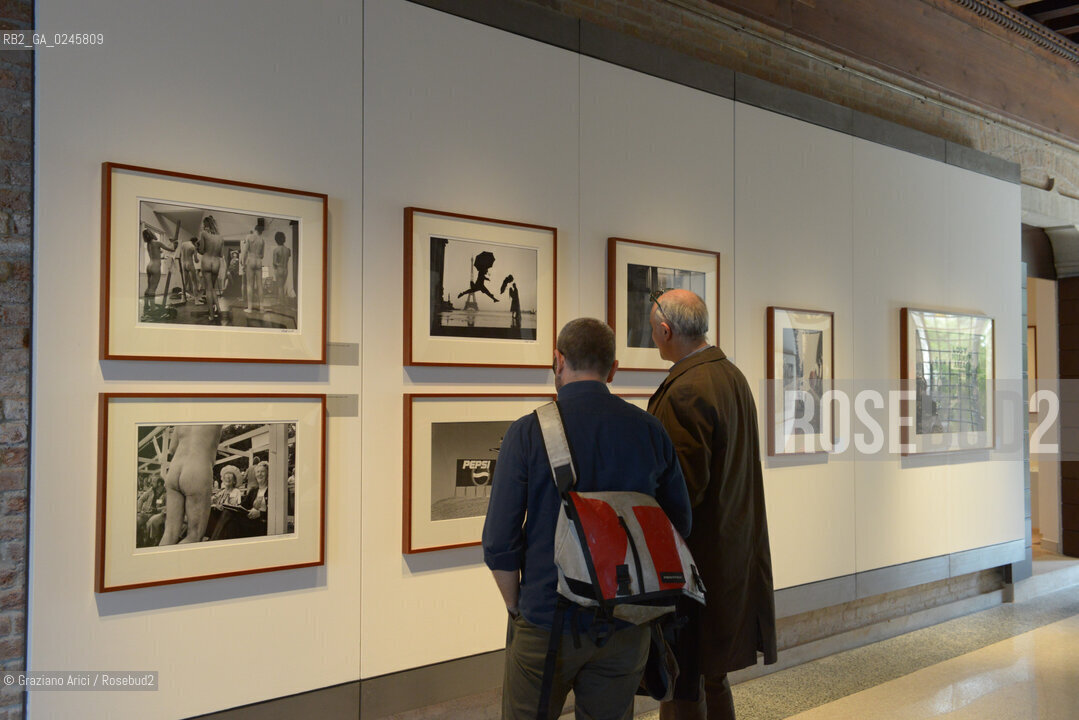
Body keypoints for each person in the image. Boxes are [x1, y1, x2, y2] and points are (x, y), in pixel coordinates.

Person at [482, 318, 692, 720]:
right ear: (613, 369)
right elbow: (679, 524)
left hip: (547, 619)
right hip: (626, 621)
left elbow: (498, 541)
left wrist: (517, 608)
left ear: (557, 360)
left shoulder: (528, 433)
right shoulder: (650, 431)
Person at [647, 290, 778, 720]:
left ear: (666, 330)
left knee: (683, 678)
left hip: (695, 563)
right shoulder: (729, 375)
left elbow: (680, 492)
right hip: (728, 555)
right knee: (710, 675)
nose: (652, 338)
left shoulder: (686, 390)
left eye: (652, 330)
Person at [160, 424, 223, 545]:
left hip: (174, 469)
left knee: (169, 533)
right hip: (197, 468)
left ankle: (160, 557)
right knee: (194, 536)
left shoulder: (183, 420)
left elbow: (172, 448)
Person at [141, 226, 176, 320]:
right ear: (151, 234)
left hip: (149, 266)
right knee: (153, 289)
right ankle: (153, 309)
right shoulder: (157, 243)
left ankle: (146, 306)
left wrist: (162, 255)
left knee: (149, 287)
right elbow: (172, 249)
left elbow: (156, 253)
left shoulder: (149, 244)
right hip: (155, 267)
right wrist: (173, 242)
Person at [197, 215, 226, 321]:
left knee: (208, 289)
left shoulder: (204, 234)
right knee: (212, 288)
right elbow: (221, 254)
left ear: (206, 224)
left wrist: (198, 247)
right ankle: (218, 309)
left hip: (207, 261)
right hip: (216, 262)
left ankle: (211, 315)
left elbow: (201, 250)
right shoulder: (220, 237)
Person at [242, 218, 267, 312]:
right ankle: (262, 307)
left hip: (250, 260)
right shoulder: (262, 240)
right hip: (258, 261)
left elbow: (244, 251)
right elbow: (262, 255)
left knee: (250, 285)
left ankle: (250, 308)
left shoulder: (249, 237)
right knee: (260, 285)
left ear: (255, 229)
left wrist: (243, 263)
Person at [272, 231, 292, 305]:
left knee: (280, 287)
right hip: (285, 269)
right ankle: (282, 302)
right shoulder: (288, 250)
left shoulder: (276, 250)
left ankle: (281, 303)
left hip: (279, 269)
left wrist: (276, 267)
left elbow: (274, 263)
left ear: (276, 240)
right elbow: (288, 258)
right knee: (282, 286)